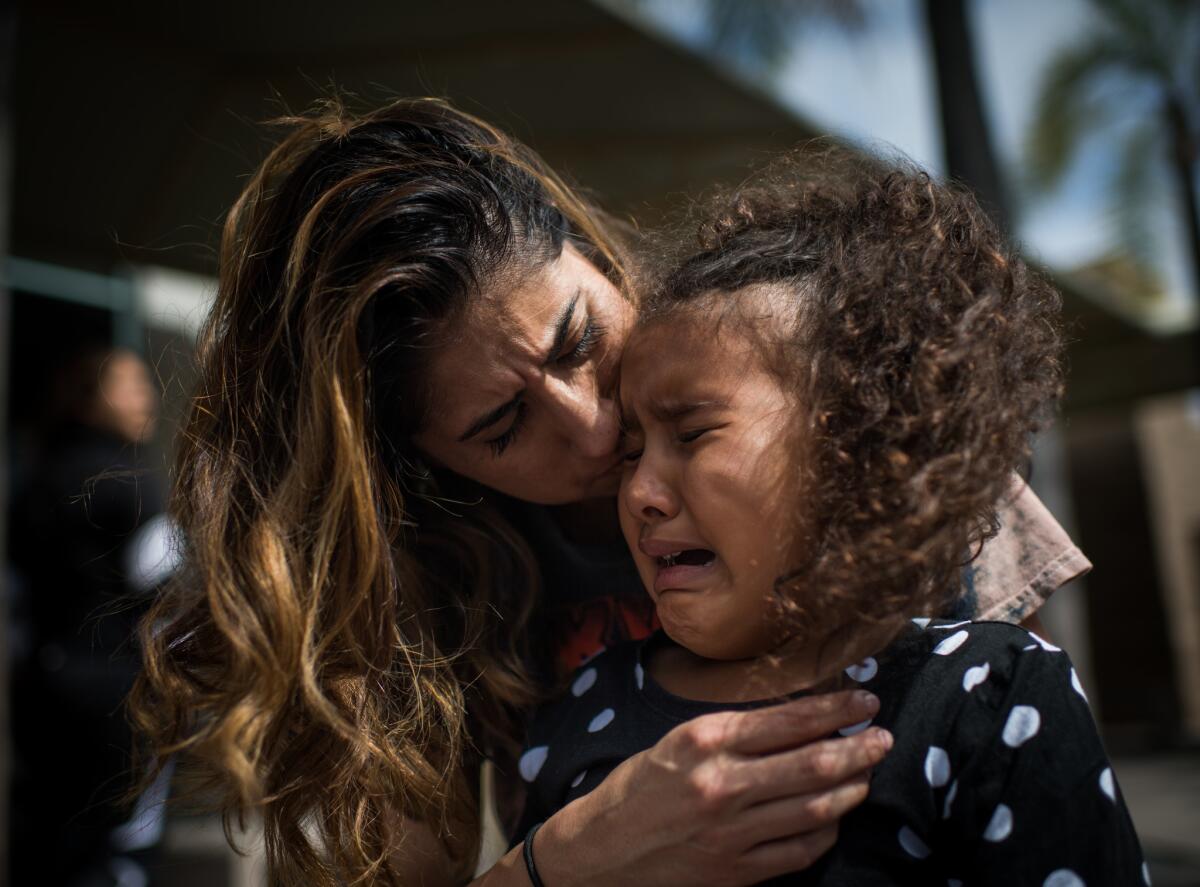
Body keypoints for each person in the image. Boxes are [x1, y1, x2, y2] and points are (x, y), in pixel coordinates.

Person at [129, 98, 1089, 886]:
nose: (595, 427)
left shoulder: (859, 410)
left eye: (579, 338)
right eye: (503, 428)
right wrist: (574, 858)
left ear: (591, 251)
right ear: (421, 469)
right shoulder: (413, 611)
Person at [516, 160, 1144, 885]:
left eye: (690, 434)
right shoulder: (583, 705)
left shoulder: (990, 696)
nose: (640, 493)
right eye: (632, 453)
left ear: (857, 443)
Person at [10, 347, 170, 886]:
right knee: (118, 849)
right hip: (116, 695)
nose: (147, 396)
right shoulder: (128, 484)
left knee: (52, 842)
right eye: (131, 385)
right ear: (92, 399)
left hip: (42, 685)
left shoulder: (35, 478)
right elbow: (173, 584)